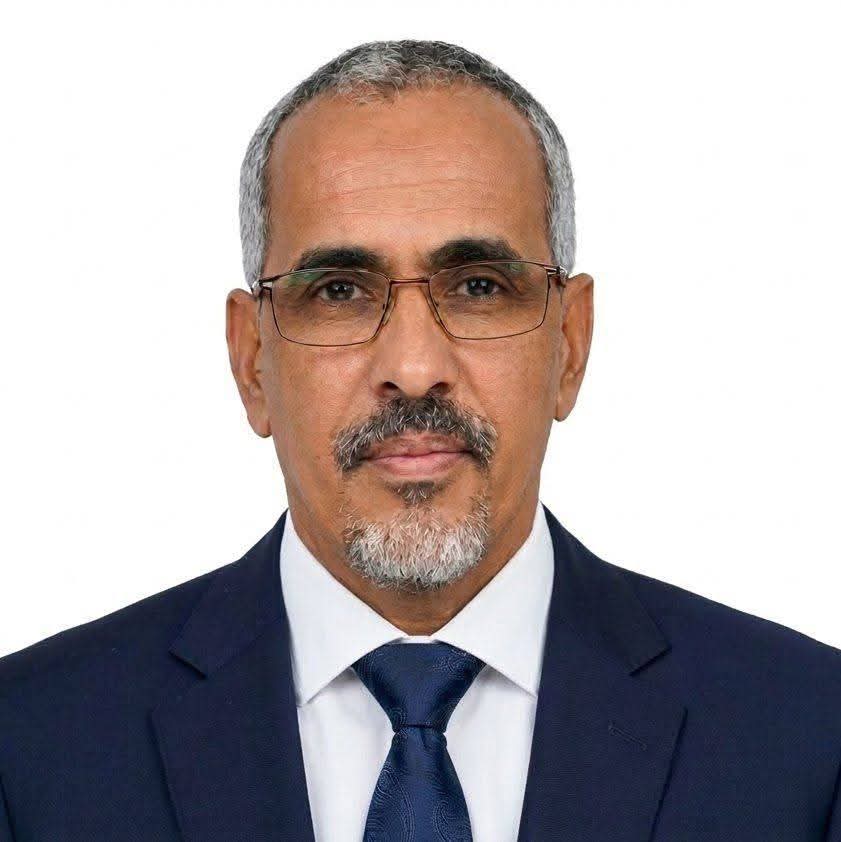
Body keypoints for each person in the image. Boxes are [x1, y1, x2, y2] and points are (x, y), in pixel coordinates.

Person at [1, 38, 839, 842]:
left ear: (569, 345)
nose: (412, 367)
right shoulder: (30, 747)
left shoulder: (807, 738)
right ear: (252, 360)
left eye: (478, 286)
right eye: (338, 290)